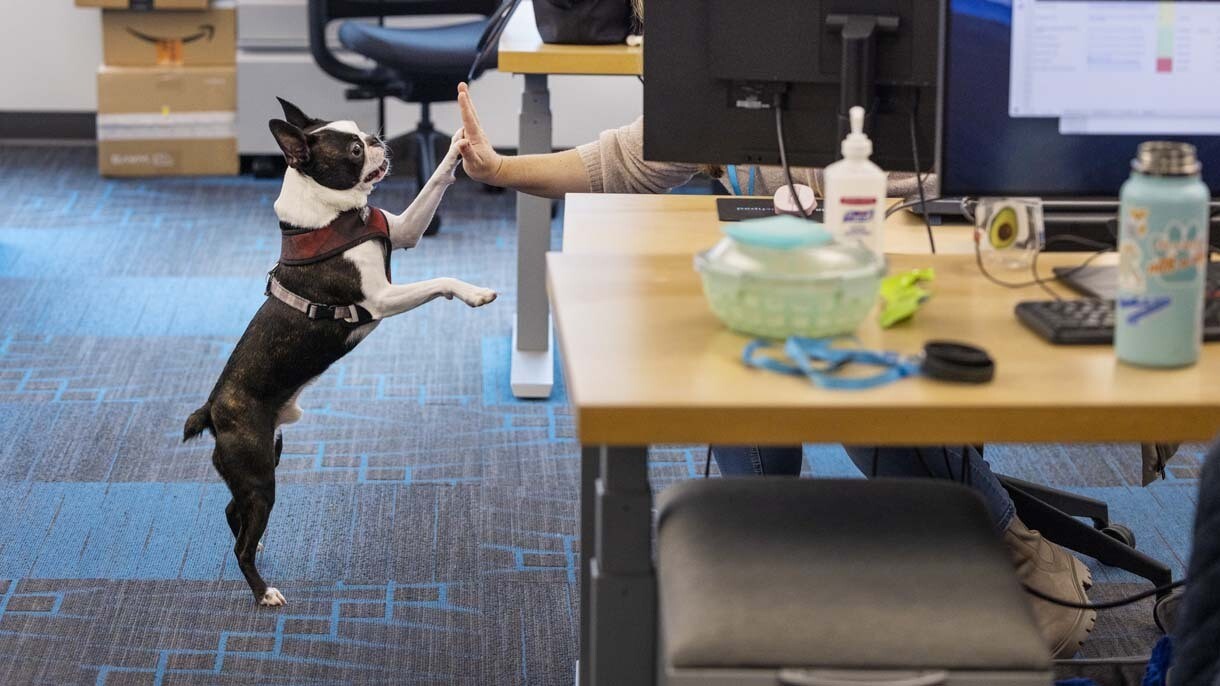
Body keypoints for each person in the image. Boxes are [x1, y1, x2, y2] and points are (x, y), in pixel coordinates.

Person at [450, 4, 1094, 657]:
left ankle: (1026, 555)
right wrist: (501, 170)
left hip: (918, 265)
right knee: (739, 371)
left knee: (867, 403)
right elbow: (626, 160)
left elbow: (985, 167)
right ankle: (761, 559)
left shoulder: (914, 51)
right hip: (795, 278)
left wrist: (863, 205)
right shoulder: (741, 46)